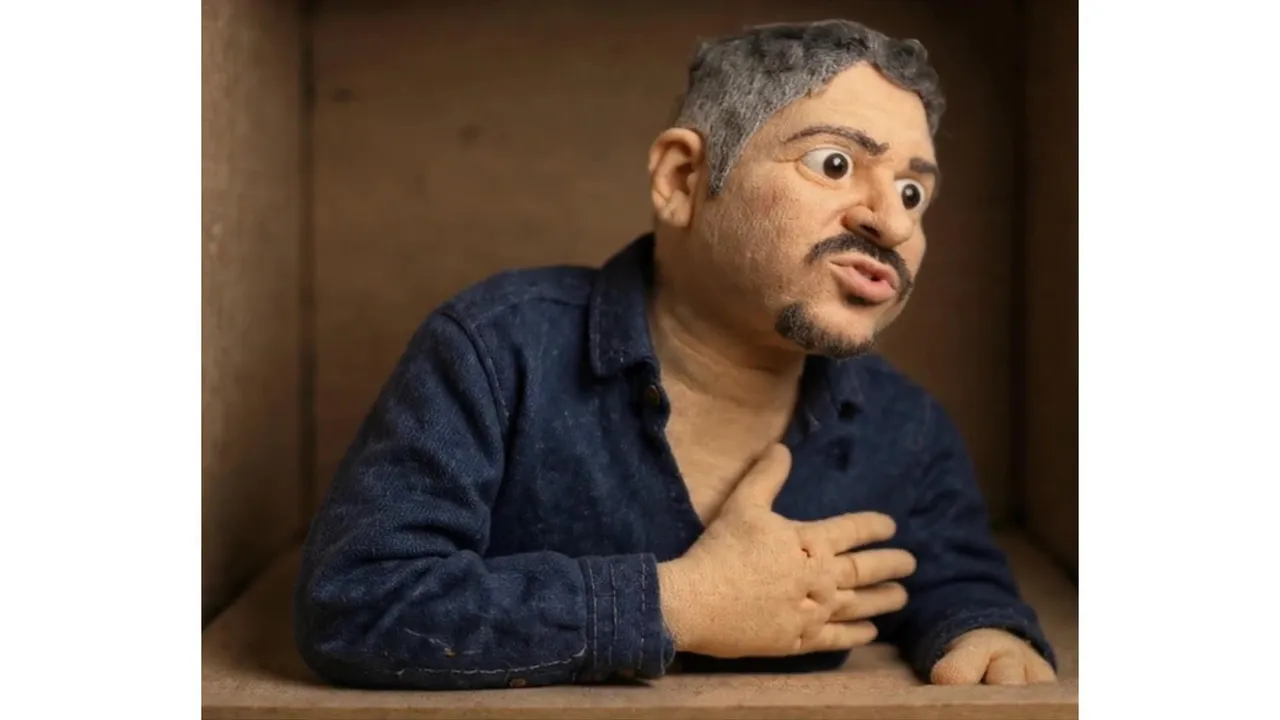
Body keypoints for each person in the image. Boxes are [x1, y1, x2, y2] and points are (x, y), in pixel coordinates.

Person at [292, 18, 1057, 691]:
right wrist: (682, 604)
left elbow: (961, 580)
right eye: (834, 163)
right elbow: (356, 601)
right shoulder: (497, 352)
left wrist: (984, 632)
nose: (892, 222)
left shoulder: (908, 430)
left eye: (915, 193)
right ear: (682, 178)